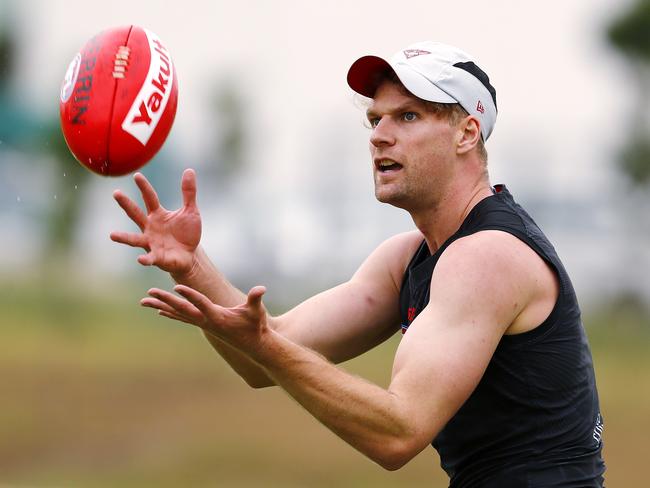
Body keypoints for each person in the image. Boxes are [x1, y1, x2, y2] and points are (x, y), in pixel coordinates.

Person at [110, 41, 606, 487]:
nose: (379, 136)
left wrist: (264, 346)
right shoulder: (408, 258)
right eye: (375, 120)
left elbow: (398, 432)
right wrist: (191, 265)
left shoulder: (488, 255)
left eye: (407, 117)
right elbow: (265, 356)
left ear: (466, 133)